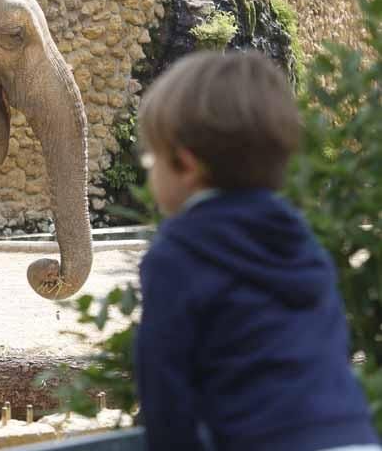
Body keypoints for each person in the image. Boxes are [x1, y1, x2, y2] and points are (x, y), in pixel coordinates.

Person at [133, 51, 380, 451]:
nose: (150, 171)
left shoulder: (178, 253)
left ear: (185, 163)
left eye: (151, 158)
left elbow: (165, 391)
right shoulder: (299, 240)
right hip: (353, 440)